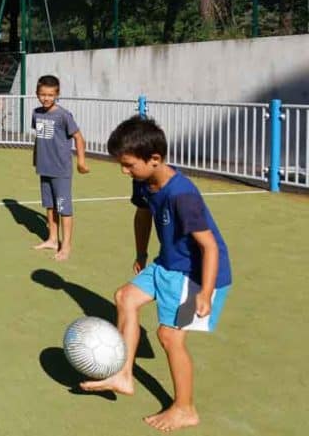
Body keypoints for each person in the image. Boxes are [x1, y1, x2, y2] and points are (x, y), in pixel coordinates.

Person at [82, 116, 232, 432]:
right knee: (125, 297)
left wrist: (205, 293)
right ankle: (123, 374)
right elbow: (143, 214)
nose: (124, 171)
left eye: (128, 165)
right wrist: (141, 253)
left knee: (169, 336)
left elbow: (210, 247)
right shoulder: (144, 181)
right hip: (167, 264)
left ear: (154, 158)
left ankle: (185, 409)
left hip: (196, 274)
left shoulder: (182, 196)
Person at [31, 74, 88, 260]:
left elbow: (79, 138)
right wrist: (36, 158)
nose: (46, 98)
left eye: (50, 95)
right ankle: (53, 240)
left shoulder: (63, 115)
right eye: (43, 94)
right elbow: (39, 138)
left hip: (61, 170)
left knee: (64, 207)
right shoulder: (36, 113)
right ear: (37, 93)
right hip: (44, 168)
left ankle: (66, 245)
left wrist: (81, 161)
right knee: (50, 205)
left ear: (57, 94)